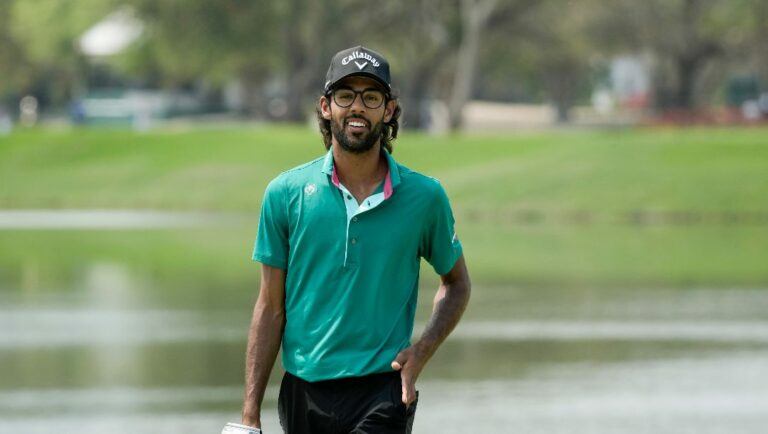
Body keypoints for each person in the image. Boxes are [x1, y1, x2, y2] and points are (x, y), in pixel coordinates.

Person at [225, 46, 470, 434]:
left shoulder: (425, 197)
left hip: (382, 390)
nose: (357, 107)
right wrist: (249, 416)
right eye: (345, 96)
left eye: (371, 97)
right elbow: (270, 308)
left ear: (388, 110)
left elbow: (456, 283)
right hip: (303, 392)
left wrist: (421, 352)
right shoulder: (284, 193)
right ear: (326, 106)